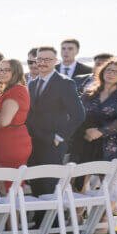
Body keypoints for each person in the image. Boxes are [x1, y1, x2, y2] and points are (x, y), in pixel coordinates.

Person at [26, 47, 86, 193]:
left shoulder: (65, 83)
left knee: (49, 186)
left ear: (55, 61)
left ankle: (54, 216)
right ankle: (39, 216)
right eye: (40, 59)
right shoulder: (32, 84)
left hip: (53, 143)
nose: (43, 63)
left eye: (47, 59)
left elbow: (78, 115)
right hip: (34, 142)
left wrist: (59, 137)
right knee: (36, 185)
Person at [0, 59, 32, 178]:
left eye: (7, 70)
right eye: (0, 70)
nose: (2, 73)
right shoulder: (6, 89)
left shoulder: (16, 91)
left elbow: (3, 121)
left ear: (16, 72)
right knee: (5, 184)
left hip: (12, 144)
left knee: (7, 184)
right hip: (4, 142)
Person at [79, 58, 117, 162]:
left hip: (114, 142)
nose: (111, 74)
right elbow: (78, 113)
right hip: (88, 138)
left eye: (116, 71)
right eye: (109, 70)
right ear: (102, 72)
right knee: (81, 174)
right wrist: (86, 130)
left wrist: (100, 132)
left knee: (107, 176)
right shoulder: (89, 93)